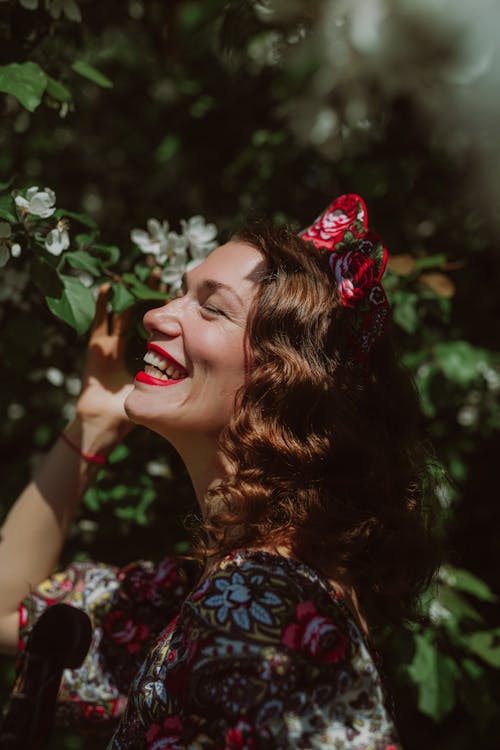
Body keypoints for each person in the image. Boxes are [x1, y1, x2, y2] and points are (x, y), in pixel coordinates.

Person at [0, 195, 438, 749]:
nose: (156, 315)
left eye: (211, 308)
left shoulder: (256, 608)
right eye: (181, 293)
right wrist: (91, 426)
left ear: (285, 380)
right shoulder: (212, 598)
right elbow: (8, 613)